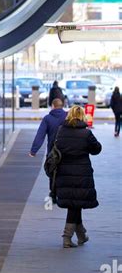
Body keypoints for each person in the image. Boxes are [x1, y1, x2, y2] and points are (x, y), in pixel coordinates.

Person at [54, 105, 102, 248]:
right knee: (75, 204)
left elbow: (54, 148)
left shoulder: (60, 131)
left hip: (64, 173)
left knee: (75, 203)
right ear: (82, 116)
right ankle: (66, 237)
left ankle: (82, 235)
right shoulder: (86, 134)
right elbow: (97, 149)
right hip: (81, 174)